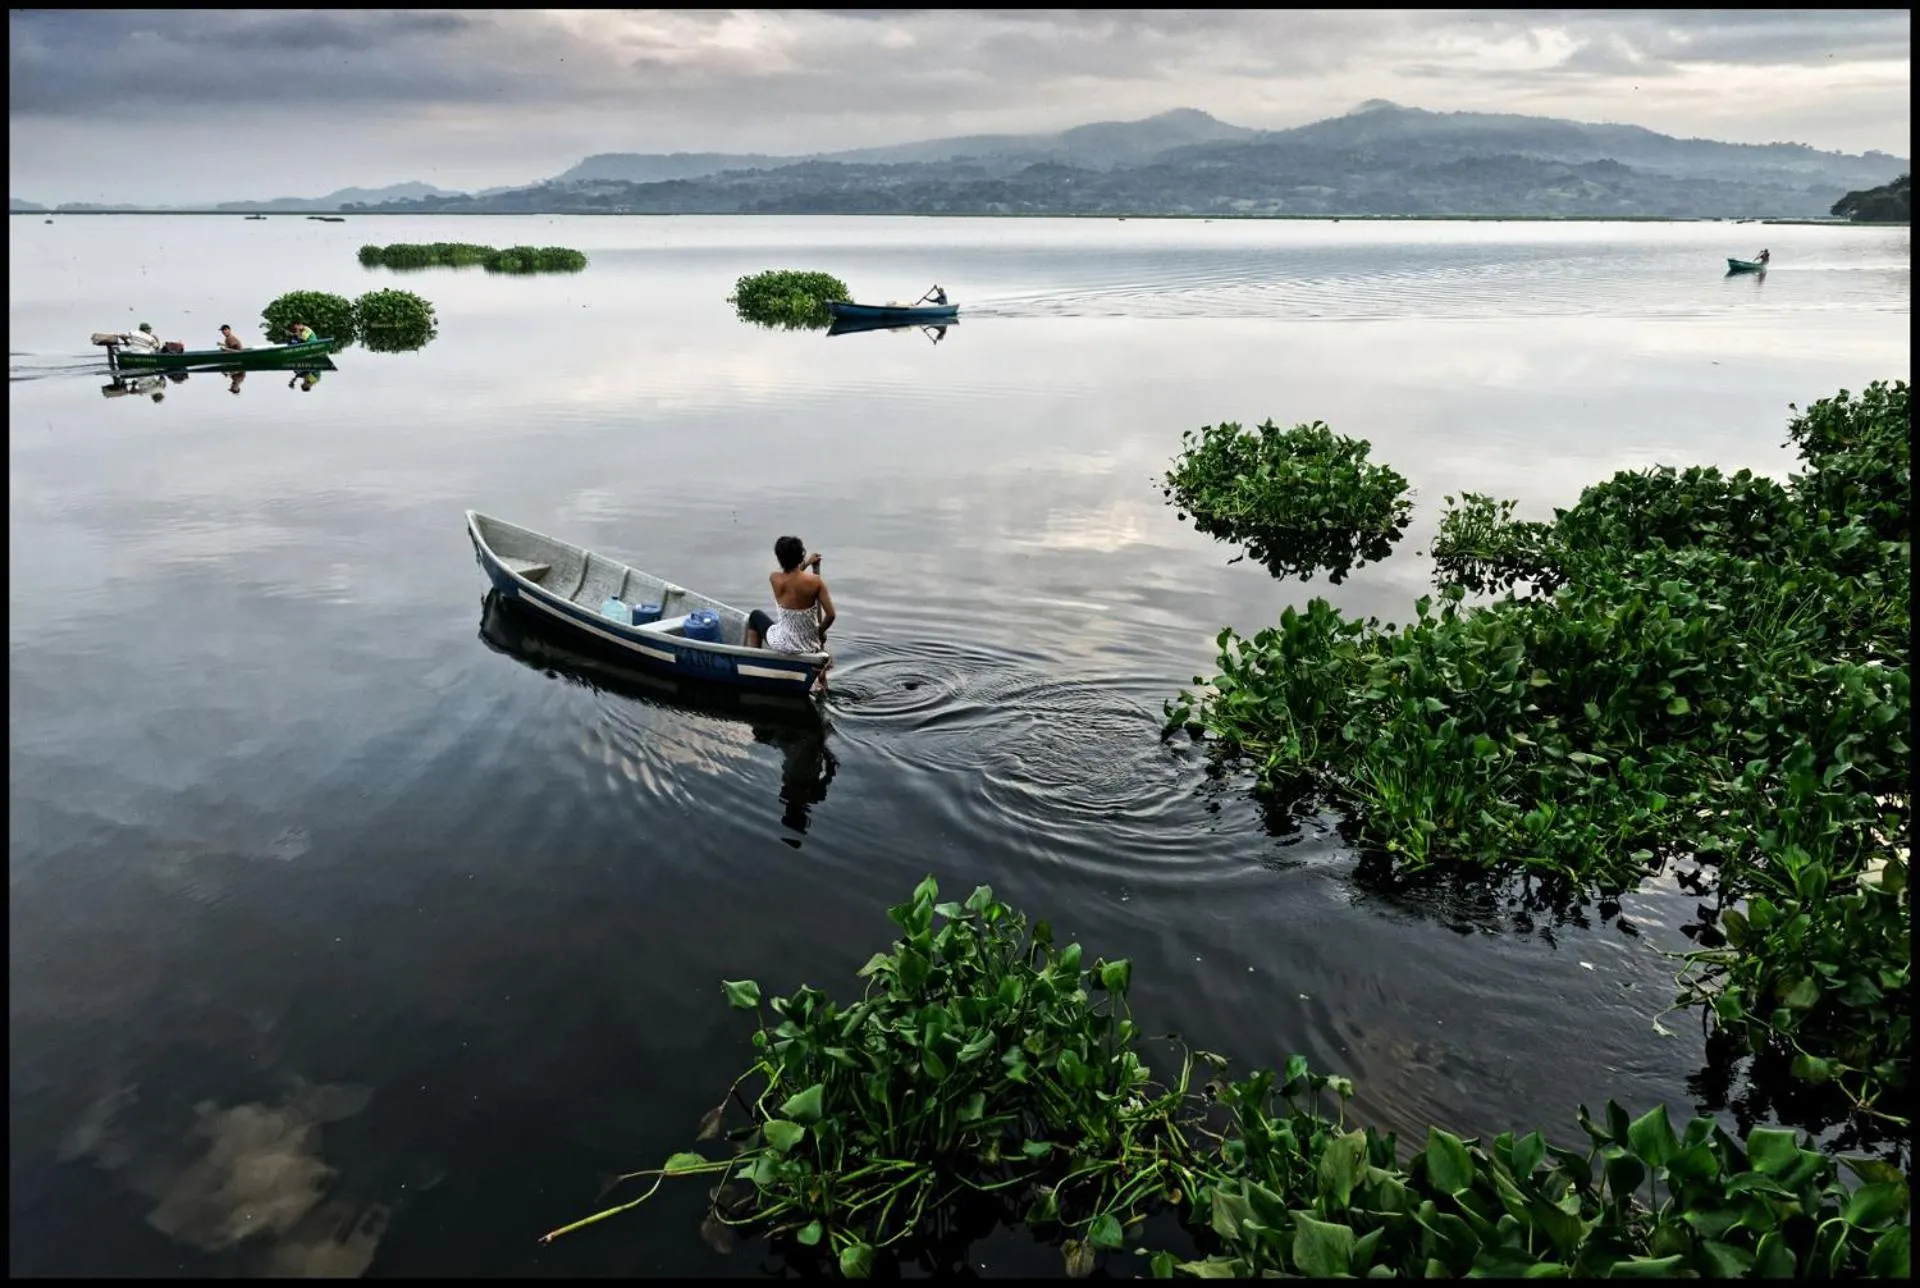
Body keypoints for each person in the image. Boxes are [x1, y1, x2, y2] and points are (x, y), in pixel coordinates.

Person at [744, 536, 835, 662]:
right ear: (801, 556)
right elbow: (831, 615)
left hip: (783, 644)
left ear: (779, 559)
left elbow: (791, 577)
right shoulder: (816, 582)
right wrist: (819, 632)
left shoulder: (775, 579)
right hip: (809, 644)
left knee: (755, 616)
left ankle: (755, 661)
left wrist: (807, 563)